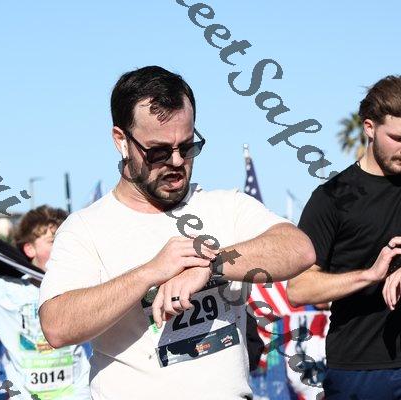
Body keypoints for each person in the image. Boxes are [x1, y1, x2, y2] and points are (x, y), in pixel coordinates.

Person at [38, 66, 316, 399]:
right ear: (121, 141)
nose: (176, 162)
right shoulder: (86, 228)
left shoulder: (225, 206)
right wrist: (150, 273)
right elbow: (57, 326)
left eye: (187, 147)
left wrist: (210, 266)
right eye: (158, 151)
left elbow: (298, 249)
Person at [287, 75, 401, 399]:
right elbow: (298, 288)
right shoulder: (331, 198)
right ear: (369, 128)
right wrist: (370, 276)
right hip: (360, 370)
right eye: (396, 138)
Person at [0, 206, 91, 400]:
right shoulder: (6, 290)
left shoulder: (81, 285)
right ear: (30, 249)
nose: (62, 247)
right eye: (53, 241)